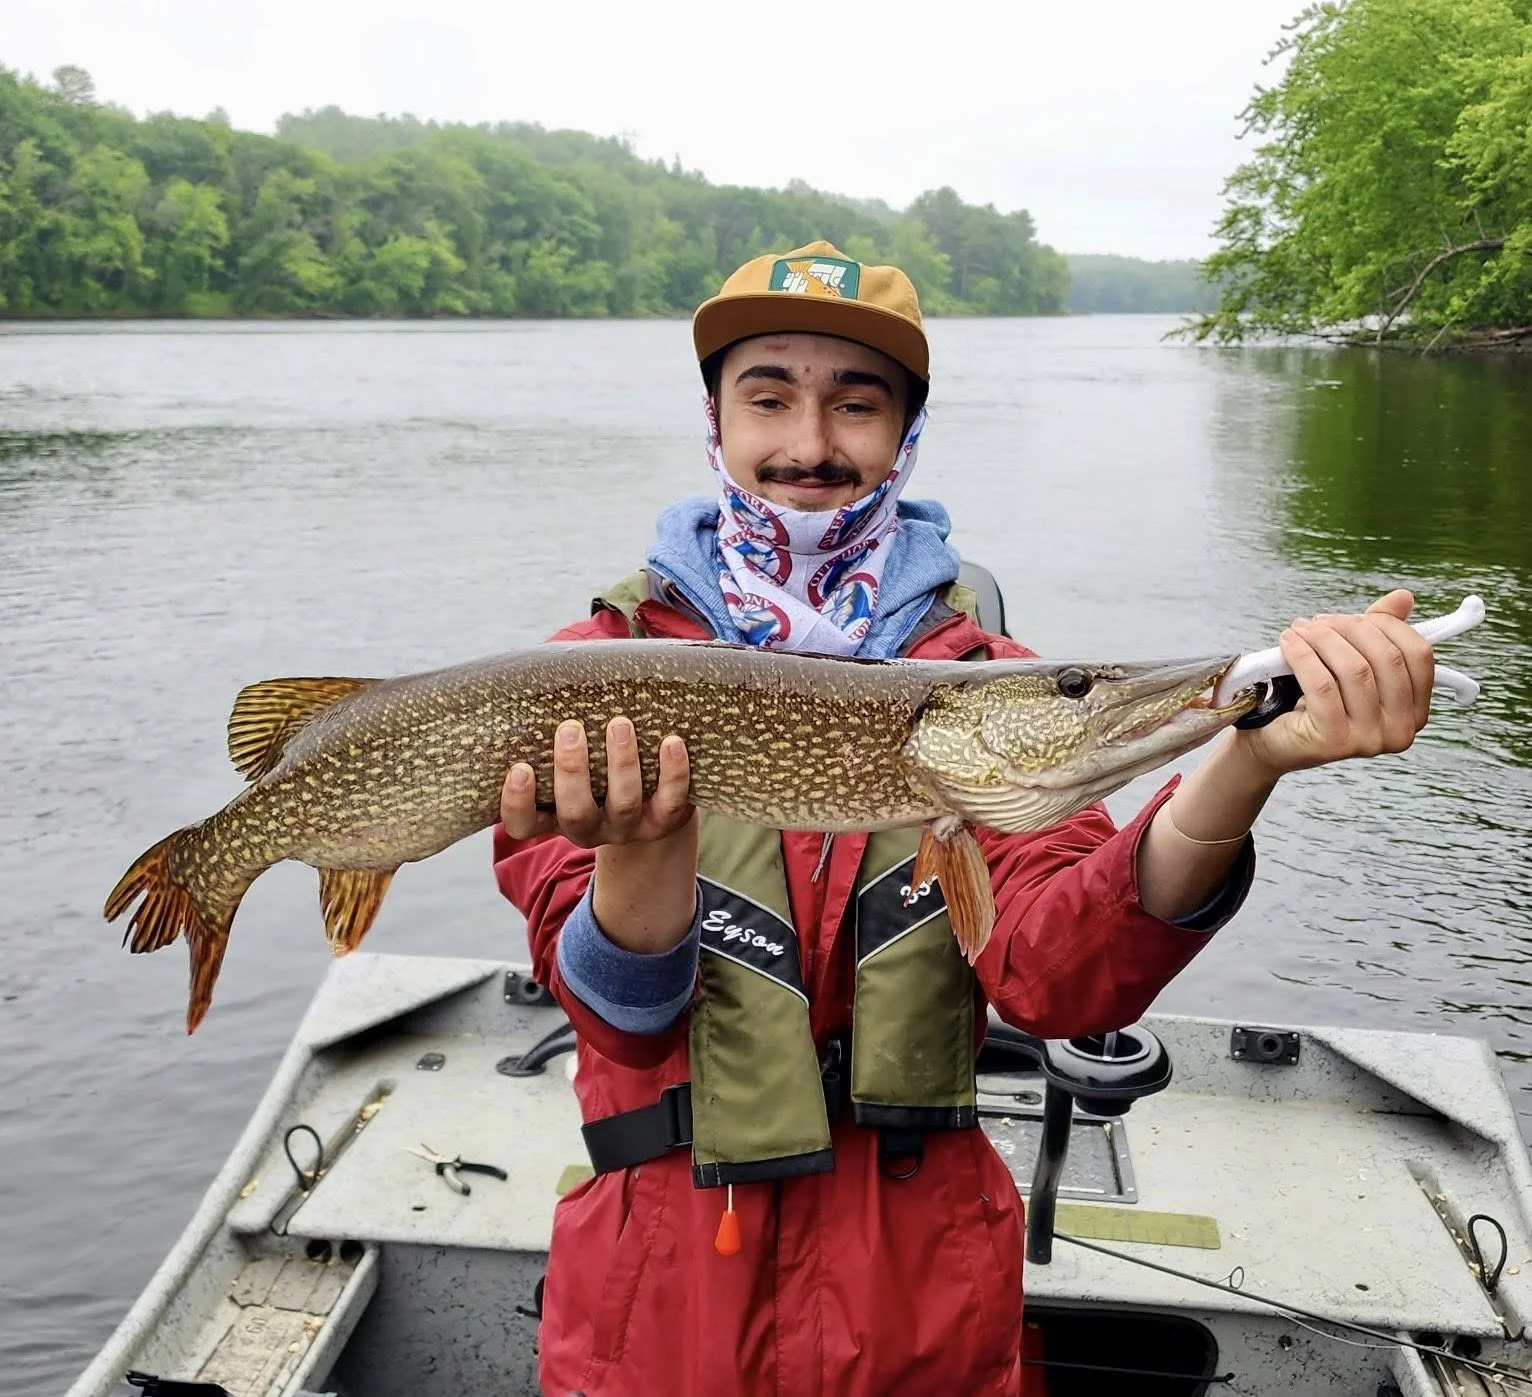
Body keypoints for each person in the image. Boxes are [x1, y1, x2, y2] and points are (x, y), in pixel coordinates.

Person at [493, 240, 1437, 1397]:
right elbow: (619, 1024)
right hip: (664, 1288)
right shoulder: (590, 677)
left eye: (855, 403)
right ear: (717, 420)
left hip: (917, 1294)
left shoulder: (990, 685)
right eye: (769, 396)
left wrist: (1245, 761)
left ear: (903, 433)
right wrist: (640, 863)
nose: (808, 443)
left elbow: (1059, 980)